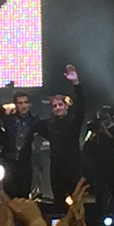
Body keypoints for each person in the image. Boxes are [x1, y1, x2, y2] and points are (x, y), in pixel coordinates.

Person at [34, 65, 85, 208]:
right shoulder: (48, 125)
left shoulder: (74, 122)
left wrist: (76, 84)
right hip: (56, 170)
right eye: (55, 106)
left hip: (74, 168)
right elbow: (31, 125)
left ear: (66, 106)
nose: (58, 108)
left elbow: (81, 105)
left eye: (60, 105)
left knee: (78, 204)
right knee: (59, 205)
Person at [0, 82, 38, 198]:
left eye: (25, 102)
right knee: (9, 194)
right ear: (15, 104)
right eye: (20, 103)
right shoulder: (8, 119)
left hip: (25, 163)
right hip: (9, 162)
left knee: (24, 195)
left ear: (29, 104)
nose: (23, 106)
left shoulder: (35, 121)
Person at [84, 105, 114, 218]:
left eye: (106, 117)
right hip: (98, 168)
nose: (103, 120)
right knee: (100, 194)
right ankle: (99, 219)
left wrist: (105, 131)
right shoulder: (94, 131)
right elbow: (86, 148)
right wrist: (93, 134)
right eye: (101, 117)